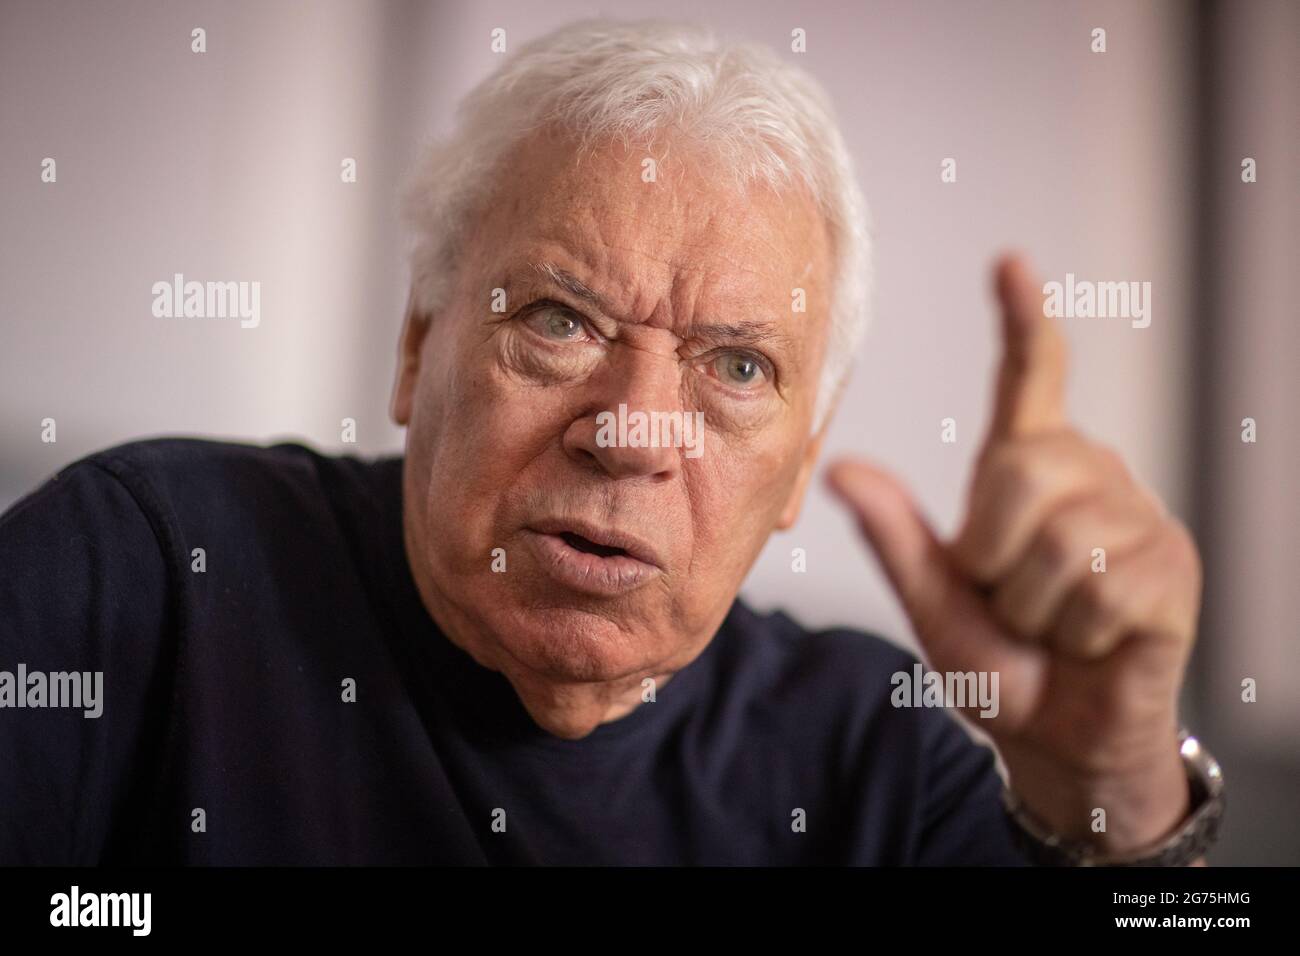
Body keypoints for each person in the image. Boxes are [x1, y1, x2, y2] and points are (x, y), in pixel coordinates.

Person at [0, 19, 1215, 865]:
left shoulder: (873, 764)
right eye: (559, 318)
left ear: (802, 461)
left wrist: (1122, 805)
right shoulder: (142, 577)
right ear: (418, 351)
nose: (632, 432)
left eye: (737, 365)